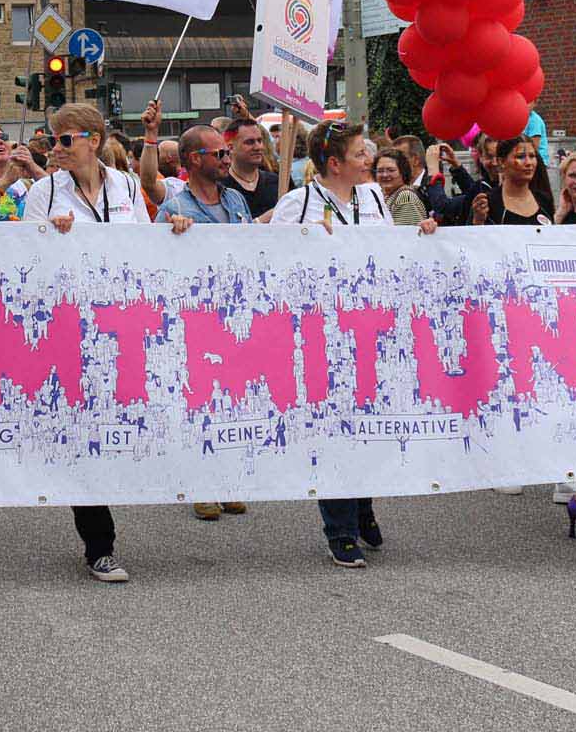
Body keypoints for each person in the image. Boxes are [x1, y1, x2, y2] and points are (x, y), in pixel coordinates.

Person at [268, 121, 431, 566]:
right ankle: (338, 528)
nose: (370, 160)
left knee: (366, 425)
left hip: (371, 330)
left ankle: (361, 505)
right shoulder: (297, 204)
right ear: (335, 162)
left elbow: (393, 251)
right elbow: (270, 263)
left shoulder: (374, 198)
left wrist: (424, 236)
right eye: (361, 153)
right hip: (321, 334)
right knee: (333, 429)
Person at [22, 102, 164, 584]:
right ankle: (99, 545)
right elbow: (25, 258)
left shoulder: (125, 186)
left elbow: (145, 244)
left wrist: (176, 231)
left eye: (65, 140)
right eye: (52, 140)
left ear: (94, 139)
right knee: (85, 432)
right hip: (71, 324)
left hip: (123, 321)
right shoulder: (44, 192)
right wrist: (48, 237)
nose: (56, 148)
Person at [154, 124, 255, 521]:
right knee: (199, 402)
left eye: (227, 154)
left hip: (234, 315)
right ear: (195, 159)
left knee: (231, 400)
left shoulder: (235, 201)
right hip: (194, 319)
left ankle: (227, 478)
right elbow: (154, 261)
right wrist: (170, 234)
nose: (227, 160)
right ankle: (200, 483)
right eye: (219, 154)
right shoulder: (174, 207)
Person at [468, 136, 554, 227]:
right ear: (501, 162)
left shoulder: (543, 200)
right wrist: (478, 222)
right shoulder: (487, 203)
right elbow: (471, 238)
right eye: (520, 157)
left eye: (532, 156)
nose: (529, 163)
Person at [222, 106, 279, 220]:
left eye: (259, 141)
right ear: (231, 148)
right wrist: (260, 221)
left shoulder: (278, 182)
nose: (258, 147)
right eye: (249, 142)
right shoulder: (220, 187)